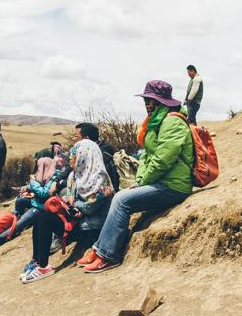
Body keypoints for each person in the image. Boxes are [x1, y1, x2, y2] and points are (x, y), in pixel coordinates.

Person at [78, 80, 194, 274]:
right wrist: (138, 181)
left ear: (161, 102)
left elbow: (163, 160)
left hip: (175, 185)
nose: (147, 104)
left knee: (122, 200)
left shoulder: (172, 122)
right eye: (146, 100)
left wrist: (141, 182)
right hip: (161, 181)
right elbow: (147, 156)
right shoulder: (156, 122)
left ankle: (108, 255)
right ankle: (98, 248)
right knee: (122, 195)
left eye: (151, 100)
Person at [20, 138, 115, 283]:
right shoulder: (74, 176)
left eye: (74, 154)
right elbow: (70, 201)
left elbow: (89, 208)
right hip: (77, 224)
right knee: (42, 216)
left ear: (84, 156)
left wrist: (74, 205)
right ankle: (38, 262)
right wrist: (68, 205)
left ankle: (43, 266)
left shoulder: (101, 178)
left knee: (45, 218)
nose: (70, 158)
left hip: (93, 230)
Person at [75, 122, 119, 192]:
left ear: (87, 138)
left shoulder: (103, 151)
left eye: (77, 137)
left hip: (100, 191)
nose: (75, 140)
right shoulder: (89, 149)